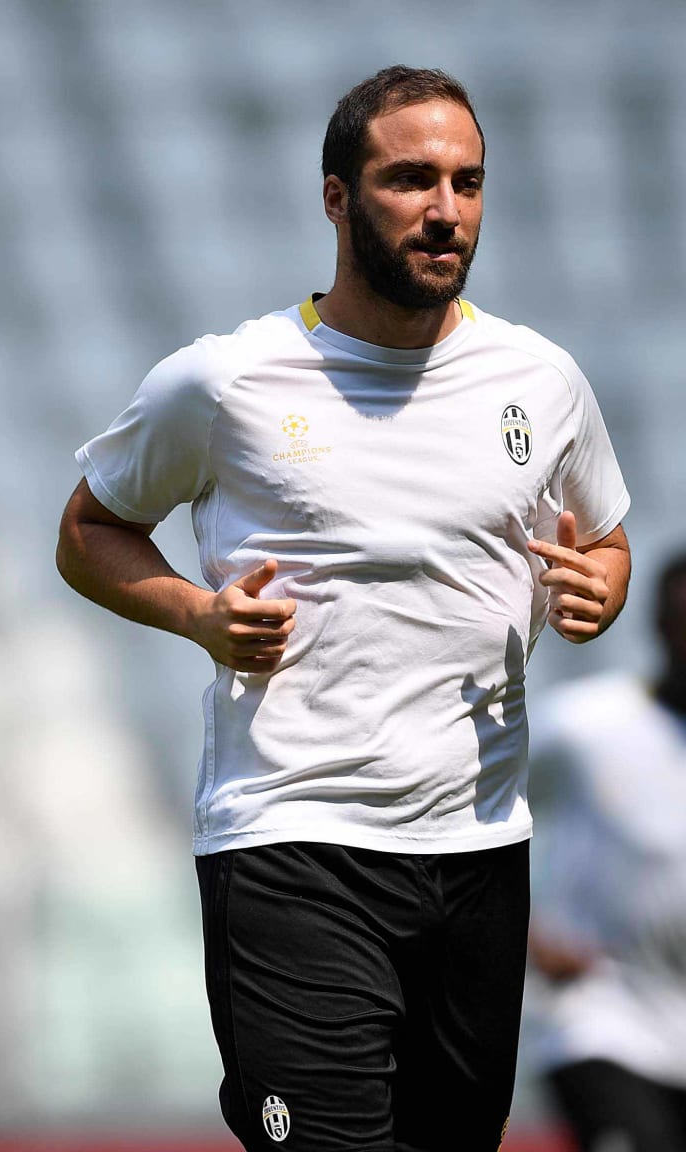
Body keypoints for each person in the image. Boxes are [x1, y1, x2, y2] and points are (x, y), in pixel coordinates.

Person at [56, 65, 631, 1152]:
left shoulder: (540, 379)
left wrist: (606, 581)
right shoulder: (225, 381)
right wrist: (195, 613)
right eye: (410, 179)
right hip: (293, 844)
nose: (445, 210)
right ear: (336, 196)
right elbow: (87, 531)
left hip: (479, 852)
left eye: (466, 182)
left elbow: (603, 535)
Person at [527, 554, 686, 1152]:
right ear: (662, 626)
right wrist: (524, 931)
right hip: (604, 1021)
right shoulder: (585, 726)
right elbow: (467, 810)